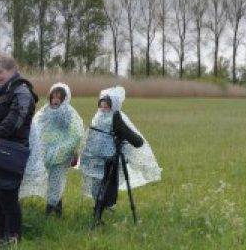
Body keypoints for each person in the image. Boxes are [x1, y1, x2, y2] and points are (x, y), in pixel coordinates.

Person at [0, 55, 38, 244]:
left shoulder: (22, 92)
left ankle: (13, 240)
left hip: (12, 152)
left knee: (8, 198)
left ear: (12, 70)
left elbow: (16, 117)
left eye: (0, 72)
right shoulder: (4, 91)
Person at [79, 86, 161, 220]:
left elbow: (127, 134)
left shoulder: (104, 117)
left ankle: (100, 208)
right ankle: (100, 208)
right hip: (102, 159)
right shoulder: (109, 117)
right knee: (103, 185)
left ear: (112, 106)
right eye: (102, 106)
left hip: (101, 160)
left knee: (102, 185)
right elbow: (132, 137)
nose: (103, 109)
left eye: (106, 106)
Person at [29, 83, 85, 217]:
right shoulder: (44, 111)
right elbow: (36, 126)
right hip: (45, 153)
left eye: (59, 97)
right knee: (50, 181)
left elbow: (76, 133)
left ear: (65, 99)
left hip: (61, 154)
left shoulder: (68, 113)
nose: (55, 100)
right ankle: (56, 209)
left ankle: (50, 212)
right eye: (53, 97)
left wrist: (69, 150)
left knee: (56, 180)